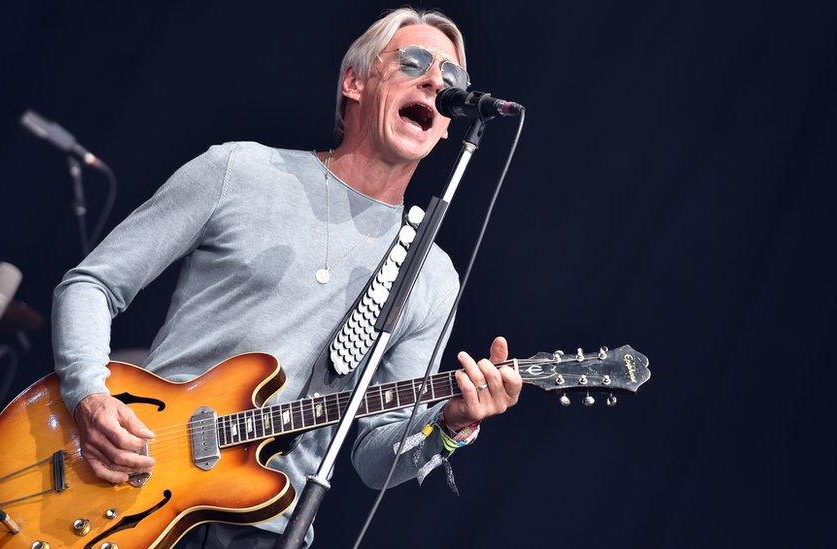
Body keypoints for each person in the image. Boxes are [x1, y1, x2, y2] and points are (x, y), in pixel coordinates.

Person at [52, 7, 522, 548]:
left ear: (447, 123)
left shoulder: (431, 274)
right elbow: (92, 284)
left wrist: (450, 425)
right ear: (354, 81)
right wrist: (88, 394)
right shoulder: (240, 171)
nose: (435, 82)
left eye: (452, 79)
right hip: (136, 485)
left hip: (269, 530)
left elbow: (374, 457)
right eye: (412, 62)